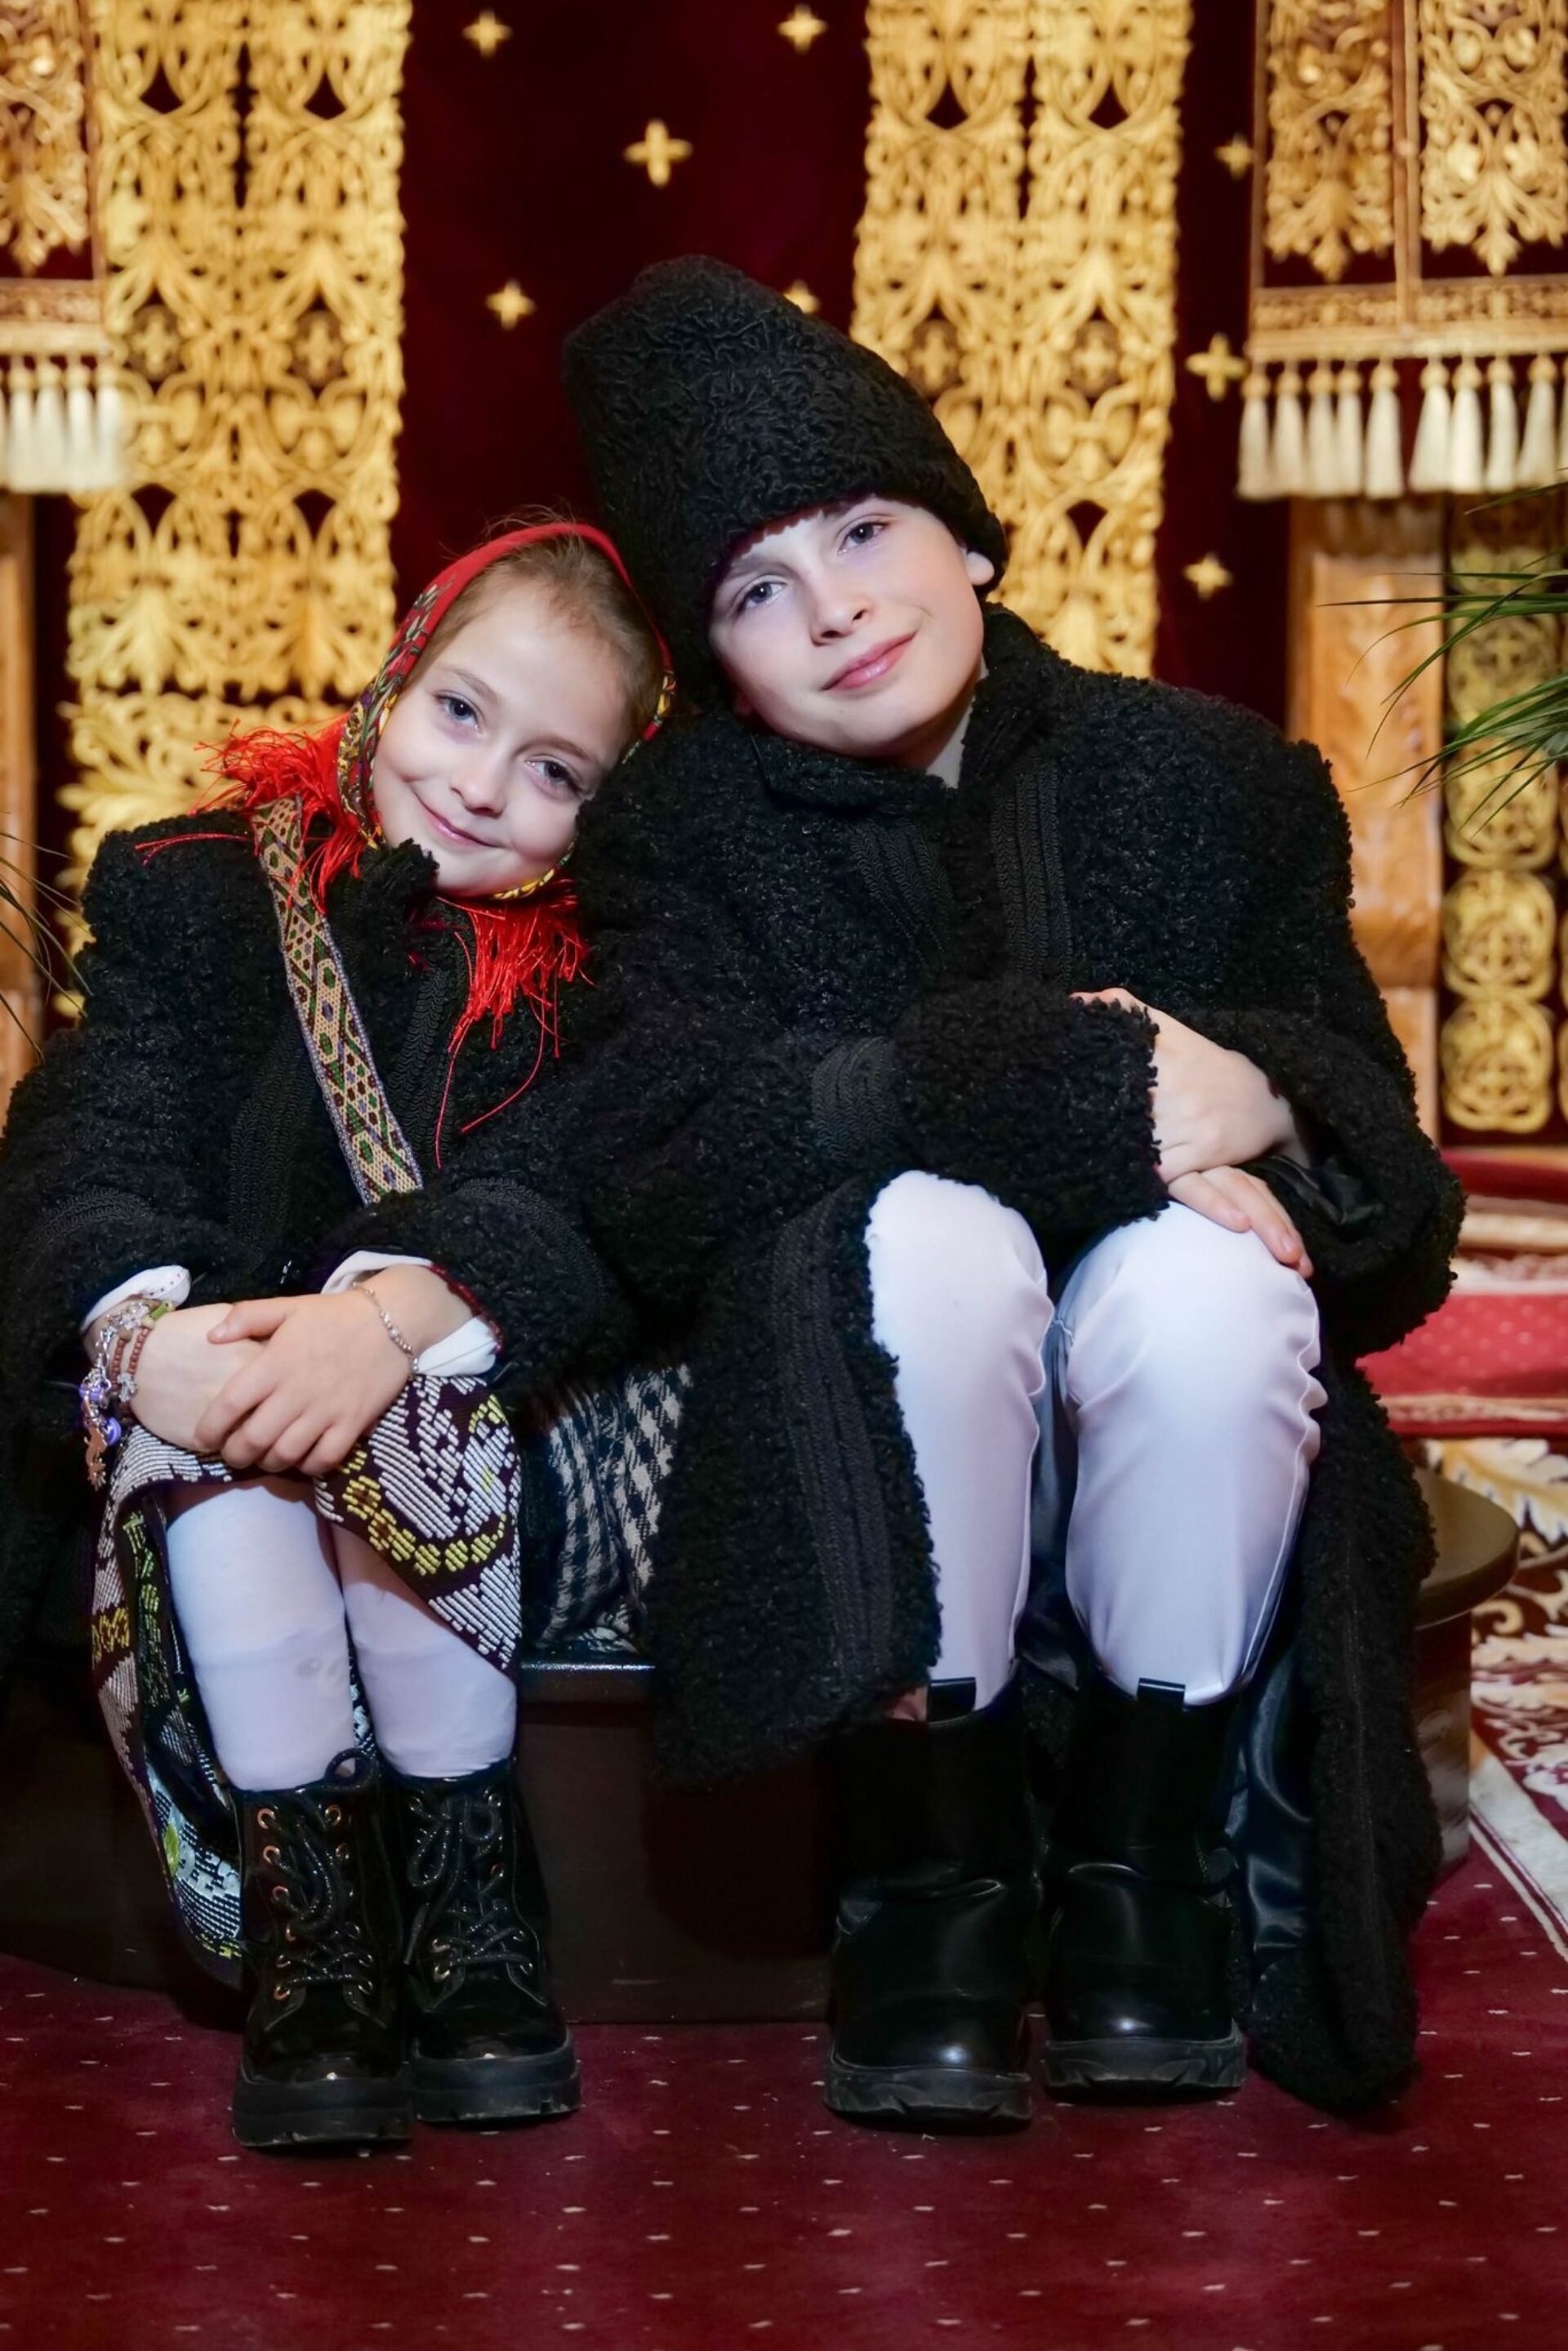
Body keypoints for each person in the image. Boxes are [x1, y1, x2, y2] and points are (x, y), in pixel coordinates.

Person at [555, 258, 1463, 2126]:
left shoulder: (1208, 779)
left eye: (863, 530)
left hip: (1177, 1452)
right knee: (926, 1231)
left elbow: (1398, 1213)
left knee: (1206, 1280)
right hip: (882, 1425)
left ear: (966, 535)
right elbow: (662, 1168)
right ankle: (934, 1881)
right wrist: (1053, 1088)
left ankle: (1146, 1869)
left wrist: (1269, 1096)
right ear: (716, 664)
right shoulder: (679, 833)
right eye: (755, 590)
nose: (835, 606)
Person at [0, 522, 678, 2151]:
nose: (480, 784)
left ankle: (467, 1890)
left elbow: (584, 1196)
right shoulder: (195, 884)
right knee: (223, 1428)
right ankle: (316, 1917)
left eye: (554, 770)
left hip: (469, 1412)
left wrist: (388, 1318)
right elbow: (97, 1135)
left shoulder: (602, 969)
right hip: (208, 1380)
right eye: (461, 712)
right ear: (396, 674)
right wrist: (139, 1327)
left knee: (407, 1394)